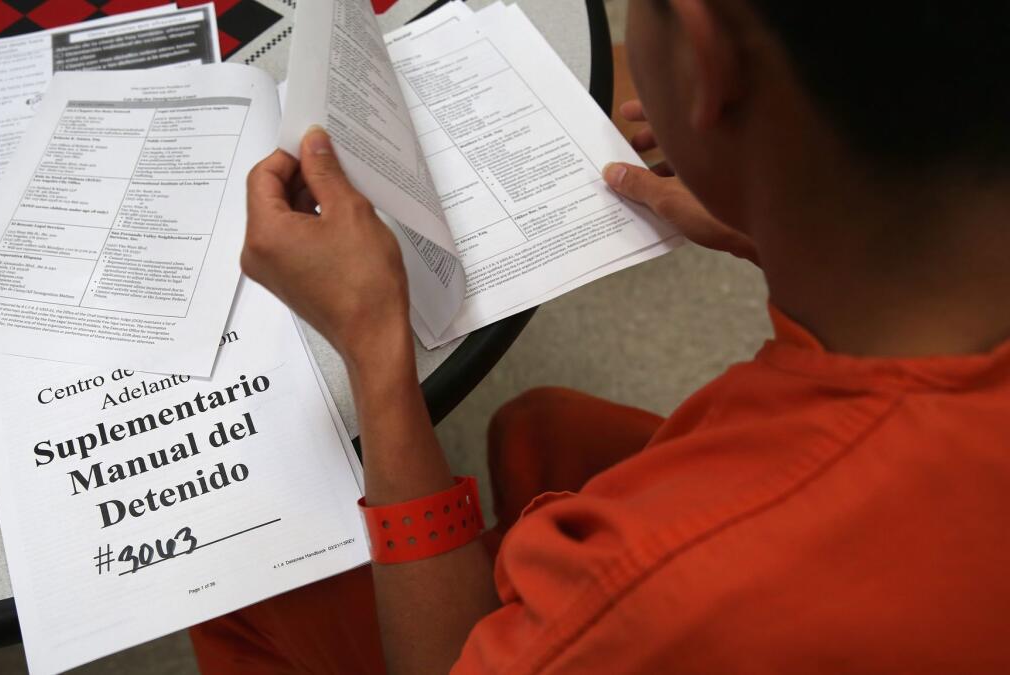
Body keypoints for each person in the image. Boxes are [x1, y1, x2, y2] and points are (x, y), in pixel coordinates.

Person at [191, 0, 1010, 672]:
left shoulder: (654, 579)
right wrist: (768, 225)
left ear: (706, 59)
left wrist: (374, 344)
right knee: (537, 430)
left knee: (247, 590)